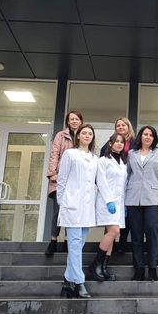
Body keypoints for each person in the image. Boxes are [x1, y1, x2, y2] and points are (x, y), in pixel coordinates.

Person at [57, 124, 98, 298]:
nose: (87, 136)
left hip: (87, 207)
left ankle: (68, 280)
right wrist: (62, 202)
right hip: (72, 205)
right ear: (78, 136)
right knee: (74, 244)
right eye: (84, 133)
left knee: (78, 245)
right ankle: (79, 282)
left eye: (90, 134)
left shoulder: (95, 158)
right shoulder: (70, 154)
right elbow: (62, 179)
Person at [125, 125, 158, 281]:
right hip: (133, 198)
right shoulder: (131, 153)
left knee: (152, 231)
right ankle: (138, 268)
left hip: (152, 198)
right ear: (140, 136)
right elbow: (127, 175)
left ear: (154, 138)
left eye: (151, 135)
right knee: (136, 235)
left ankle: (152, 268)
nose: (148, 137)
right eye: (145, 134)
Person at [89, 133, 128, 282]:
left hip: (119, 203)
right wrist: (109, 201)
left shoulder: (123, 163)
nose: (119, 144)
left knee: (112, 234)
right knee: (114, 231)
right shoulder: (103, 161)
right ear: (110, 144)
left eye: (121, 142)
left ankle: (104, 268)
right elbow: (101, 181)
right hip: (107, 202)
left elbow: (123, 185)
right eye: (116, 141)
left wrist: (123, 204)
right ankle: (96, 264)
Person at [45, 110, 83, 256]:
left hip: (75, 181)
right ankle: (53, 240)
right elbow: (54, 155)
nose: (74, 121)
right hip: (59, 178)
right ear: (68, 122)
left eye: (77, 119)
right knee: (58, 210)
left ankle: (68, 241)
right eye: (71, 119)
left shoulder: (83, 136)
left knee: (72, 212)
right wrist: (52, 174)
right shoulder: (61, 135)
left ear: (81, 121)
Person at [100, 117, 136, 255]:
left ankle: (121, 245)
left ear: (128, 126)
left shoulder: (135, 143)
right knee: (112, 228)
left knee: (122, 223)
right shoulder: (107, 150)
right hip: (110, 193)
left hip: (127, 187)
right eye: (118, 125)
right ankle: (105, 255)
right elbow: (102, 176)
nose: (121, 127)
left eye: (123, 125)